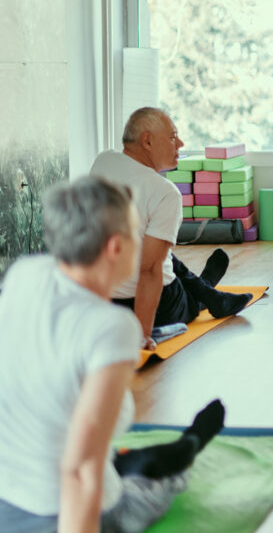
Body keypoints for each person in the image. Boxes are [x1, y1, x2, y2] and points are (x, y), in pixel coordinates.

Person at [0, 176, 225, 533]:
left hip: (6, 500)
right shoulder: (112, 327)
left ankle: (152, 455)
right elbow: (79, 470)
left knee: (115, 458)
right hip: (59, 514)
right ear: (115, 248)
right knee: (152, 490)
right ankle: (189, 446)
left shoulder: (22, 276)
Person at [90, 107, 251, 350]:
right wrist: (142, 334)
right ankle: (206, 292)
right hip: (156, 305)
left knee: (153, 241)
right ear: (148, 140)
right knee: (167, 268)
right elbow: (150, 271)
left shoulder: (104, 161)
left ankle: (207, 291)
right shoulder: (165, 193)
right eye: (173, 136)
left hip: (101, 302)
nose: (181, 143)